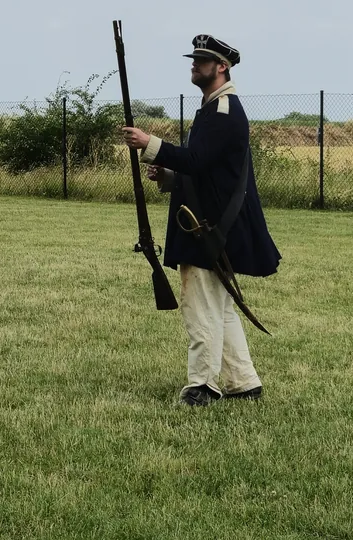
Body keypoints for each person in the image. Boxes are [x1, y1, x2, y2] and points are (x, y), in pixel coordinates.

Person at [122, 34, 282, 407]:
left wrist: (149, 143)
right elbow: (208, 172)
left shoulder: (223, 111)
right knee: (219, 307)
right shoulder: (213, 109)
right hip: (207, 222)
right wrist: (168, 176)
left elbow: (196, 161)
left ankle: (202, 387)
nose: (194, 64)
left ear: (221, 67)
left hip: (210, 227)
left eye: (202, 59)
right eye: (194, 58)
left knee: (201, 307)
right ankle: (243, 381)